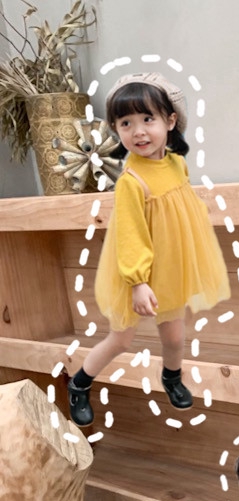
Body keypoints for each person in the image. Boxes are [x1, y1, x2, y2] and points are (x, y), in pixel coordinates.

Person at [67, 72, 230, 426]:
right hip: (136, 272)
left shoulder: (177, 164)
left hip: (170, 265)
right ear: (116, 129)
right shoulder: (131, 181)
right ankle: (79, 383)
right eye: (126, 123)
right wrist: (138, 282)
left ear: (170, 121)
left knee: (174, 335)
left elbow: (180, 211)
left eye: (147, 119)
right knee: (121, 340)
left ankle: (172, 377)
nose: (138, 131)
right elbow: (130, 235)